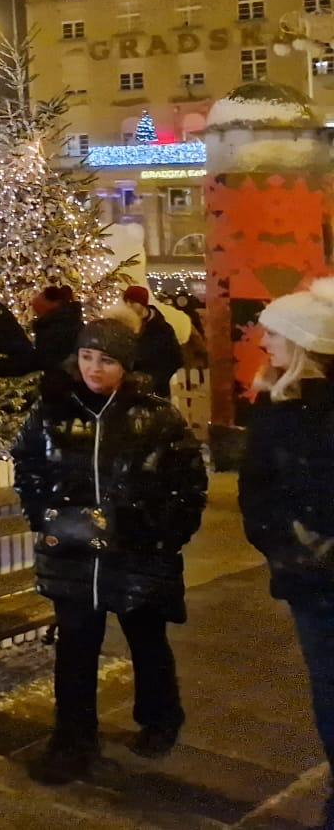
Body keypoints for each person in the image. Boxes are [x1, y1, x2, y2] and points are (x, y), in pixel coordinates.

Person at [13, 313, 209, 782]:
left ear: (126, 365)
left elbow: (188, 480)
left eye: (105, 360)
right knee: (76, 645)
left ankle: (160, 717)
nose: (94, 369)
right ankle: (73, 739)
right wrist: (44, 514)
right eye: (86, 357)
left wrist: (165, 531)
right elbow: (28, 463)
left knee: (146, 638)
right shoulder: (52, 410)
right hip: (74, 551)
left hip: (138, 549)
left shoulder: (155, 415)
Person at [240, 277, 334, 826]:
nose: (263, 342)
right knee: (327, 684)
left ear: (303, 341)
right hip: (309, 581)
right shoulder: (273, 405)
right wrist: (283, 545)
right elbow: (257, 492)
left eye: (273, 333)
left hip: (316, 572)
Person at [123, 284, 188, 394]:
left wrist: (157, 381)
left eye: (133, 302)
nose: (129, 305)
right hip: (129, 390)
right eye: (127, 302)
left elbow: (176, 360)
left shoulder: (163, 329)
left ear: (143, 304)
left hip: (156, 390)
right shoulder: (124, 326)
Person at [28, 283, 87, 375]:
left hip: (64, 381)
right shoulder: (61, 320)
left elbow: (49, 360)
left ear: (52, 304)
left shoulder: (58, 326)